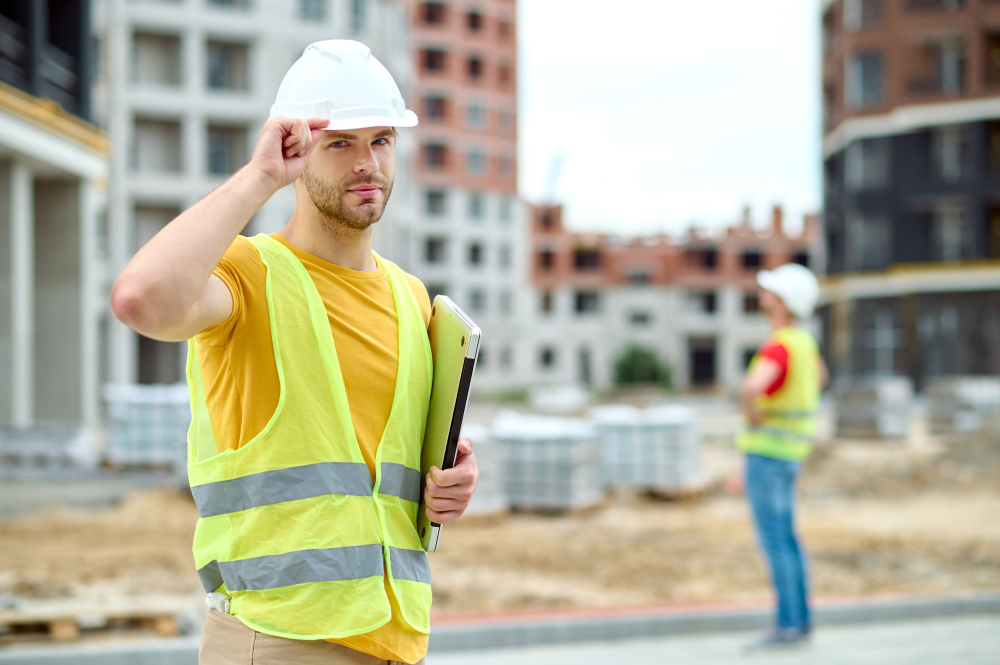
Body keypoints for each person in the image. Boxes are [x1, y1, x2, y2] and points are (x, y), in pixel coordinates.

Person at [110, 40, 478, 665]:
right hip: (279, 637)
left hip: (392, 637)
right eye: (340, 143)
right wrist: (258, 178)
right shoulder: (250, 274)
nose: (369, 163)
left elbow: (384, 473)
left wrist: (452, 483)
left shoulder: (412, 299)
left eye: (381, 141)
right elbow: (141, 300)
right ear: (297, 147)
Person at [736, 263, 827, 650]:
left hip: (768, 452)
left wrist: (752, 411)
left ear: (783, 302)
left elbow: (751, 386)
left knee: (775, 541)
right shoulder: (805, 343)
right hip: (793, 451)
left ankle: (788, 626)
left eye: (770, 291)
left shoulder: (779, 344)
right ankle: (800, 620)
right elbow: (820, 378)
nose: (763, 294)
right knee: (789, 539)